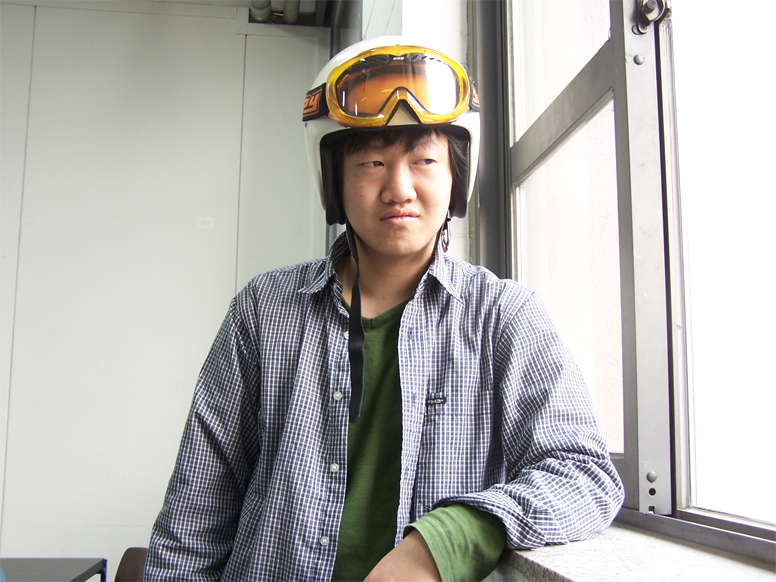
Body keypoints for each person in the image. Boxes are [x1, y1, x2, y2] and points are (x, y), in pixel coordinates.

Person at [145, 36, 624, 582]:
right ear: (334, 180)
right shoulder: (262, 311)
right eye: (372, 162)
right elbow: (195, 513)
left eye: (424, 160)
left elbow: (585, 474)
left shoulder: (504, 318)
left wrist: (451, 537)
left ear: (455, 175)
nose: (399, 189)